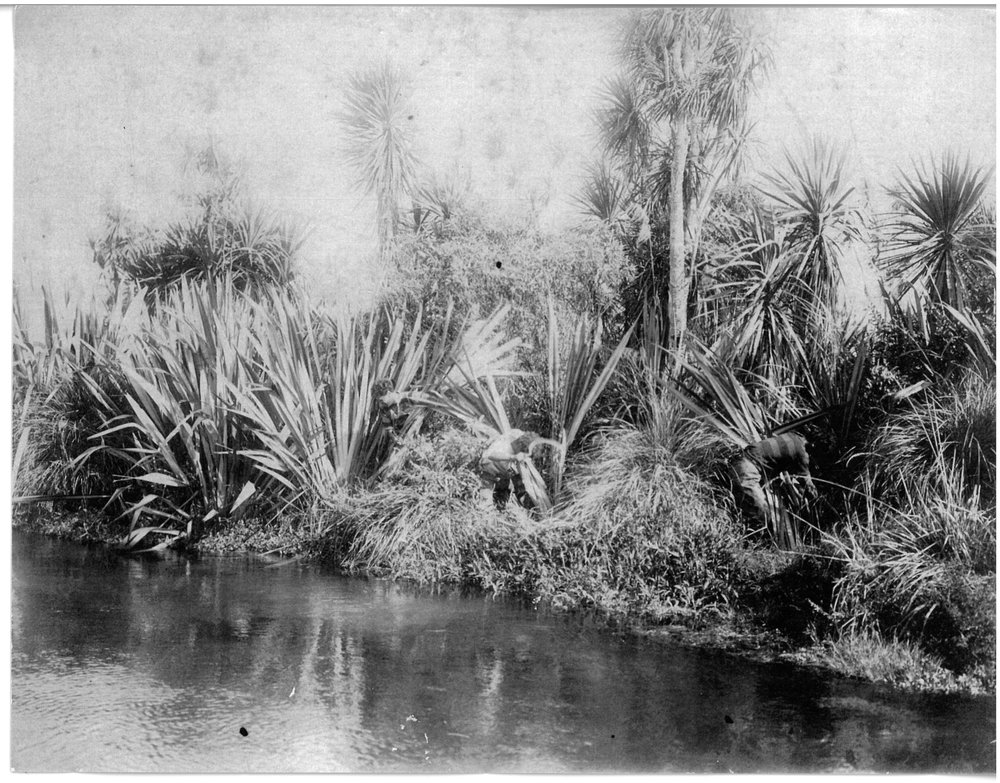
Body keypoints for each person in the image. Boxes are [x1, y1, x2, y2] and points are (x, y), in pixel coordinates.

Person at [730, 432, 818, 521]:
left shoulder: (791, 435)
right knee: (766, 514)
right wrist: (815, 500)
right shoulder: (802, 452)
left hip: (738, 461)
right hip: (747, 470)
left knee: (742, 507)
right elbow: (807, 484)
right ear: (812, 445)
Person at [479, 429, 542, 510]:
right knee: (485, 503)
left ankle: (523, 504)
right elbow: (490, 455)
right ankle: (487, 507)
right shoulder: (505, 444)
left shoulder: (520, 436)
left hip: (504, 472)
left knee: (504, 499)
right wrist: (513, 457)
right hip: (489, 468)